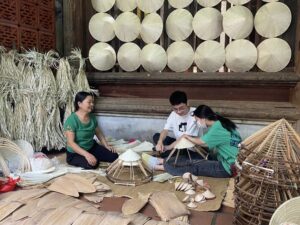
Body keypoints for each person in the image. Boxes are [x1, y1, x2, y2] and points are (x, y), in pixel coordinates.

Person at [143, 105, 242, 178]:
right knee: (193, 156)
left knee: (195, 166)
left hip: (229, 167)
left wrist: (186, 136)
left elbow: (201, 142)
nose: (197, 123)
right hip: (226, 159)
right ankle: (161, 161)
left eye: (196, 120)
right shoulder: (222, 123)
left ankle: (161, 167)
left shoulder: (217, 127)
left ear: (202, 118)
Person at [64, 91, 118, 169]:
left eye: (92, 102)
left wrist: (106, 145)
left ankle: (93, 156)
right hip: (75, 153)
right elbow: (71, 143)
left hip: (91, 147)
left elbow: (98, 133)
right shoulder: (71, 120)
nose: (92, 104)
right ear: (79, 104)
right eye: (89, 102)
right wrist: (87, 154)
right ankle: (80, 159)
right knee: (93, 164)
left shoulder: (92, 117)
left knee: (114, 156)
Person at [153, 90, 204, 157]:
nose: (179, 111)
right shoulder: (173, 114)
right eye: (175, 109)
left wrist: (168, 147)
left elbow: (185, 138)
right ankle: (168, 153)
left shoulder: (195, 113)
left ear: (187, 103)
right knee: (157, 136)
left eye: (181, 108)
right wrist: (160, 142)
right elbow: (165, 130)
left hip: (191, 148)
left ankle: (169, 154)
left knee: (182, 154)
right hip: (177, 144)